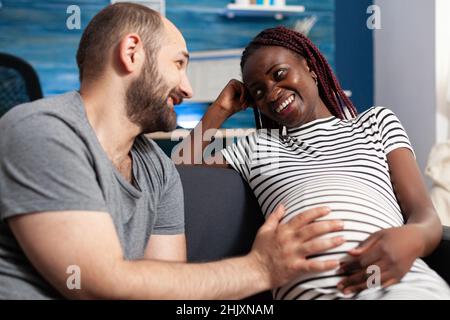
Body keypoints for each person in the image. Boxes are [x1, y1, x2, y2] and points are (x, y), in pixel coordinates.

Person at [0, 4, 347, 299]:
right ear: (131, 52)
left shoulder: (157, 170)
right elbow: (96, 283)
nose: (187, 87)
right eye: (179, 64)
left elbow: (166, 289)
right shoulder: (41, 130)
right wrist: (261, 268)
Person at [187, 26, 450, 299]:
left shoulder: (376, 123)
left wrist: (412, 239)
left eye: (279, 74)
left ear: (310, 66)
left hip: (397, 284)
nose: (273, 92)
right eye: (258, 92)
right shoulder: (259, 146)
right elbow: (175, 175)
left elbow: (426, 216)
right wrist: (219, 110)